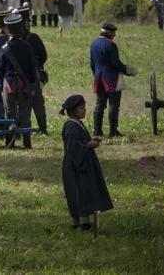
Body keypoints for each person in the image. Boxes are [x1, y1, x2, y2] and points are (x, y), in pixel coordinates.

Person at [60, 95, 113, 231]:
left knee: (83, 191)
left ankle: (82, 221)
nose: (85, 110)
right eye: (82, 108)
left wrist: (89, 140)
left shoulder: (77, 124)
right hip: (76, 165)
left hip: (81, 164)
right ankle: (80, 223)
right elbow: (73, 148)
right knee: (78, 191)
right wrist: (89, 145)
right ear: (73, 110)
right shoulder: (71, 126)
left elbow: (79, 141)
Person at [89, 23, 137, 138]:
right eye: (113, 32)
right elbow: (115, 63)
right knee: (114, 104)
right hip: (111, 78)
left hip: (98, 77)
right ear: (108, 32)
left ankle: (97, 131)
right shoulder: (110, 45)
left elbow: (92, 64)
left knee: (99, 105)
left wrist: (96, 75)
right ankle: (113, 132)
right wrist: (126, 69)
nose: (114, 34)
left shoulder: (94, 44)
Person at [0, 13, 37, 149]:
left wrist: (0, 87)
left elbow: (0, 71)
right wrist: (32, 85)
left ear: (8, 29)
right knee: (25, 115)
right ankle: (27, 143)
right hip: (24, 84)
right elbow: (33, 68)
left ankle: (10, 143)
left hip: (9, 84)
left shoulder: (4, 48)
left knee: (9, 115)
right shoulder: (26, 46)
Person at [17, 4, 49, 135]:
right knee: (38, 103)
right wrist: (37, 66)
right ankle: (42, 128)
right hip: (33, 76)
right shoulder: (33, 38)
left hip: (18, 76)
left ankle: (22, 128)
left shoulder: (13, 39)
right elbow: (43, 56)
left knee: (21, 104)